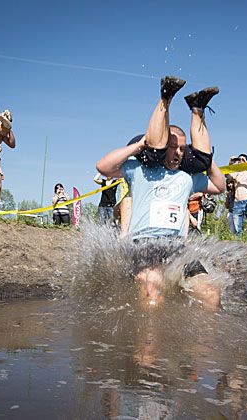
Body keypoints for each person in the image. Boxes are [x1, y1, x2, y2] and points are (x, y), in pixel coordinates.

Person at [95, 76, 226, 309]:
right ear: (164, 145)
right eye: (173, 147)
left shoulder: (187, 177)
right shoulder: (139, 170)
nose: (177, 153)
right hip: (143, 244)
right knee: (152, 286)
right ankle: (148, 344)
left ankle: (203, 345)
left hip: (177, 247)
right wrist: (141, 144)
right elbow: (103, 167)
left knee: (210, 292)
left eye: (182, 149)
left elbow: (219, 186)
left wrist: (204, 159)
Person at [229, 153, 247, 237]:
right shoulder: (236, 172)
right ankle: (238, 243)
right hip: (237, 201)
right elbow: (228, 176)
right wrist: (231, 163)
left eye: (242, 159)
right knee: (237, 227)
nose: (240, 161)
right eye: (239, 160)